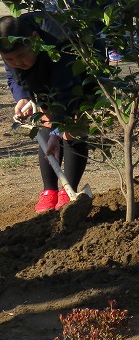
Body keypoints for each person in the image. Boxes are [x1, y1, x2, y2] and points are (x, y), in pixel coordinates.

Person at [1, 13, 96, 212]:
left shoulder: (61, 43)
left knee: (73, 126)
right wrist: (23, 96)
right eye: (10, 59)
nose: (17, 62)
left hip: (81, 75)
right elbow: (13, 74)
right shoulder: (11, 47)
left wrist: (57, 132)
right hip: (43, 73)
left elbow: (67, 90)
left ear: (35, 40)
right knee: (47, 120)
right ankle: (49, 191)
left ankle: (68, 190)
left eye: (21, 56)